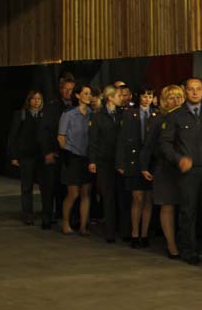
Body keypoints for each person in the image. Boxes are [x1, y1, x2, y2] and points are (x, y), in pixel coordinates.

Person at [160, 77, 202, 271]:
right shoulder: (175, 116)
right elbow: (165, 144)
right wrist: (178, 159)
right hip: (188, 172)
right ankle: (189, 251)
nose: (195, 92)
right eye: (191, 89)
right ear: (185, 91)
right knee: (188, 212)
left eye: (198, 89)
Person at [142, 85, 184, 259]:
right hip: (164, 167)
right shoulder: (158, 119)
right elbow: (149, 144)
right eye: (171, 98)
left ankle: (183, 241)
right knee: (168, 205)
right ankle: (171, 244)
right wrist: (144, 166)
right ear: (164, 101)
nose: (176, 101)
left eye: (179, 97)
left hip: (184, 168)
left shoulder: (187, 117)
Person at [117, 87, 158, 248]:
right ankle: (134, 233)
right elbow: (121, 138)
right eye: (144, 95)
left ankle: (144, 233)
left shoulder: (156, 114)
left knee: (148, 199)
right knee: (137, 198)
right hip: (134, 160)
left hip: (151, 162)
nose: (147, 99)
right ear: (139, 97)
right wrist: (120, 162)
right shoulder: (129, 114)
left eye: (150, 96)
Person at [89, 85, 127, 243]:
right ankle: (110, 232)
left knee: (122, 196)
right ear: (110, 98)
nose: (122, 98)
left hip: (121, 161)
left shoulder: (123, 114)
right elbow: (93, 140)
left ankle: (124, 231)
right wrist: (92, 161)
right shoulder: (98, 116)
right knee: (108, 197)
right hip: (104, 161)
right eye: (119, 95)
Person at [40, 74, 76, 228]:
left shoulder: (75, 105)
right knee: (49, 187)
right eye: (66, 89)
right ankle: (47, 218)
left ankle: (65, 216)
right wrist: (47, 151)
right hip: (54, 152)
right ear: (61, 89)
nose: (68, 92)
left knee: (66, 187)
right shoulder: (52, 106)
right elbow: (44, 131)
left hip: (70, 154)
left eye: (71, 89)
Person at [8, 90, 49, 227]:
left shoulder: (44, 115)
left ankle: (46, 213)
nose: (36, 101)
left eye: (39, 99)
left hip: (41, 155)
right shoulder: (21, 114)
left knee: (44, 186)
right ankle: (28, 214)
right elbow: (13, 135)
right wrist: (13, 155)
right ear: (29, 100)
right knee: (27, 186)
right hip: (26, 155)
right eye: (34, 98)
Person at [58, 83, 93, 236]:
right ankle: (65, 223)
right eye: (85, 93)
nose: (89, 96)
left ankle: (83, 226)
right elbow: (61, 137)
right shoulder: (69, 113)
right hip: (72, 157)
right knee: (73, 193)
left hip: (87, 157)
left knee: (86, 193)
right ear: (78, 95)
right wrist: (67, 153)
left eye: (90, 93)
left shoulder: (91, 113)